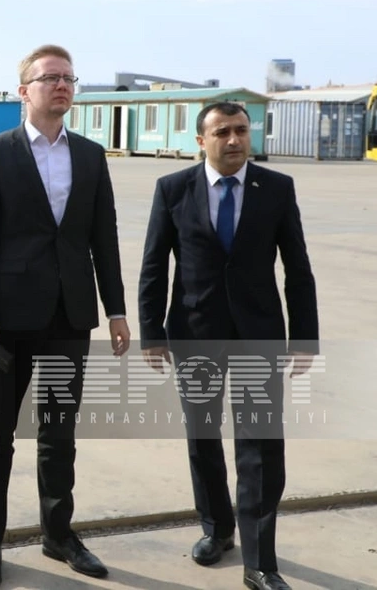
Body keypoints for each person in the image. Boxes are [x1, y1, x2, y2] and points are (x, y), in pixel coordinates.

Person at [0, 45, 129, 588]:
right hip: (9, 321)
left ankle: (58, 535)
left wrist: (116, 309)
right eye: (50, 78)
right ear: (23, 90)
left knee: (59, 432)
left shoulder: (90, 155)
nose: (61, 86)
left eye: (68, 78)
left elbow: (103, 237)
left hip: (68, 318)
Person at [138, 101, 319, 590]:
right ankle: (216, 528)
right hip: (194, 333)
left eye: (241, 130)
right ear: (202, 141)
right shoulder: (173, 189)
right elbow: (154, 266)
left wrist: (305, 337)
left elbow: (298, 268)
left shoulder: (276, 188)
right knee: (203, 437)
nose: (235, 139)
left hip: (259, 335)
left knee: (260, 445)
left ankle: (260, 562)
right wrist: (151, 334)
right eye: (222, 132)